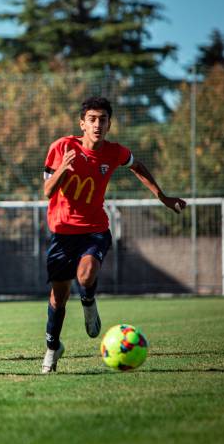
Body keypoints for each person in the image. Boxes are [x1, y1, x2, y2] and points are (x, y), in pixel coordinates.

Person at [40, 96, 185, 373]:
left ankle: (88, 300)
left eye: (102, 120)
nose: (97, 124)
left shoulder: (114, 152)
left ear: (109, 124)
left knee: (85, 274)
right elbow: (47, 192)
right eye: (92, 119)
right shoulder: (62, 147)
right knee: (58, 298)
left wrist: (162, 196)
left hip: (95, 229)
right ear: (82, 123)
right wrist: (63, 168)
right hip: (62, 233)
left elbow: (137, 166)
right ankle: (52, 348)